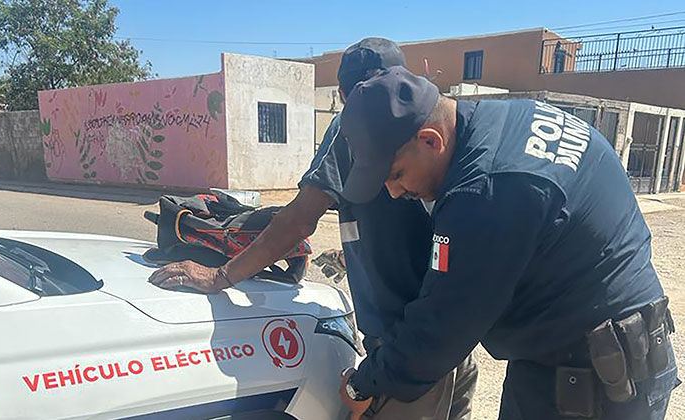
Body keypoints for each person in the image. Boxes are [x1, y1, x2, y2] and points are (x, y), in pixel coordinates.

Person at [149, 38, 476, 420]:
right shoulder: (441, 123)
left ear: (344, 94)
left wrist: (220, 276)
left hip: (406, 350)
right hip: (454, 336)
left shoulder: (355, 122)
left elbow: (300, 218)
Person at [336, 66, 679, 420]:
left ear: (430, 140)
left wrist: (364, 384)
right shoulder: (511, 118)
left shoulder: (487, 189)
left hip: (595, 385)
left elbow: (442, 327)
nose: (394, 192)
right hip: (594, 356)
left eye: (396, 174)